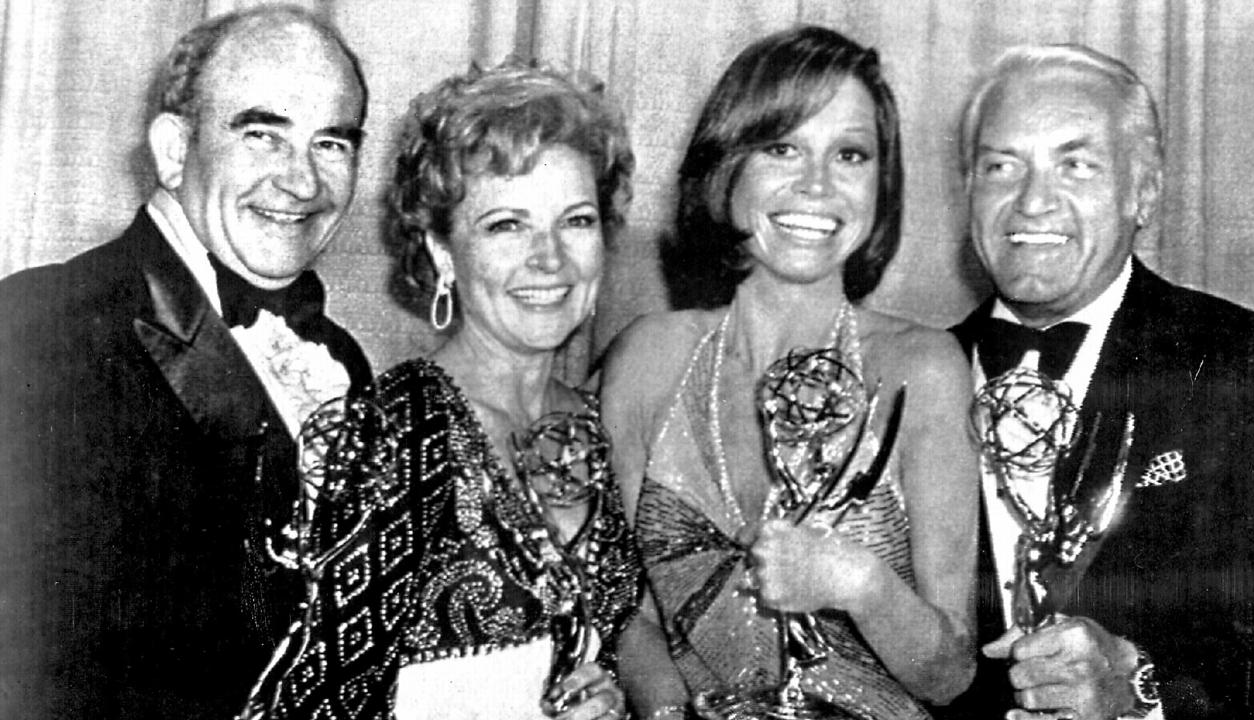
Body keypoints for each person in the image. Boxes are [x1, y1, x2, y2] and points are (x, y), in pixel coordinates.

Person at [239, 58, 641, 720]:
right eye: (507, 225)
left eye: (576, 221)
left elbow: (616, 640)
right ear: (442, 251)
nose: (551, 259)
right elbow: (307, 707)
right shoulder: (399, 435)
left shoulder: (603, 421)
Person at [0, 6, 372, 719]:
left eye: (332, 143)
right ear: (174, 150)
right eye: (262, 134)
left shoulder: (342, 361)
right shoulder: (43, 328)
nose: (302, 182)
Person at [602, 25, 978, 720]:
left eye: (850, 154)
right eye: (782, 148)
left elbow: (950, 673)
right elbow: (624, 611)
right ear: (727, 166)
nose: (817, 185)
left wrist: (858, 581)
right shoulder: (646, 360)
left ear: (880, 181)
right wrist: (666, 711)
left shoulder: (923, 369)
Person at [947, 44, 1254, 720]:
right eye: (1001, 166)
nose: (1032, 202)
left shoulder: (1253, 366)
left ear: (1144, 192)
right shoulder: (910, 379)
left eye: (1076, 165)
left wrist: (1142, 686)